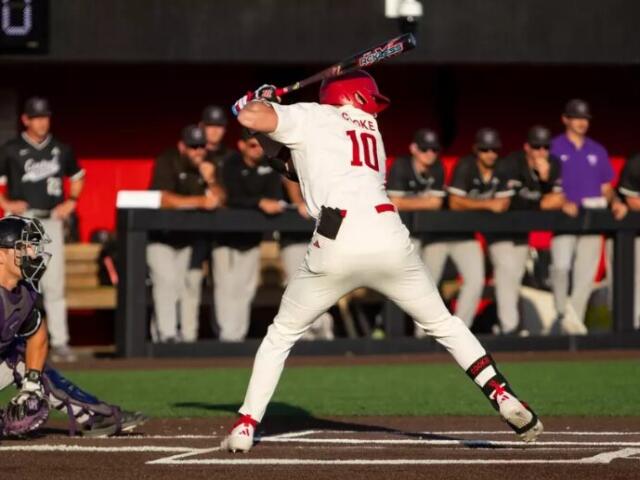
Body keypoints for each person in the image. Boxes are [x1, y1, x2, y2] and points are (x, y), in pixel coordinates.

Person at [220, 71, 543, 453]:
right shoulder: (370, 129)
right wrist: (264, 109)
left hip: (336, 234)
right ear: (356, 98)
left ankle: (246, 424)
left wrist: (262, 101)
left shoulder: (312, 115)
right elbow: (292, 162)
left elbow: (250, 118)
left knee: (281, 335)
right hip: (389, 233)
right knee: (443, 324)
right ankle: (501, 394)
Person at [0, 216, 146, 438]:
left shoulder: (24, 289)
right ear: (1, 254)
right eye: (23, 247)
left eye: (32, 246)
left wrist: (31, 384)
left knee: (23, 354)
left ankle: (97, 416)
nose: (31, 253)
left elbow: (37, 336)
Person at [0, 97, 84, 362]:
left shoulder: (61, 148)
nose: (41, 121)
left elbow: (78, 176)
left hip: (49, 221)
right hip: (20, 223)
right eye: (36, 117)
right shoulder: (11, 149)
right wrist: (6, 203)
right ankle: (12, 341)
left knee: (54, 283)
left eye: (45, 116)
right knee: (14, 283)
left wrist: (71, 201)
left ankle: (60, 342)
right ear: (25, 119)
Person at [549, 99, 627, 333]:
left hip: (593, 220)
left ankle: (573, 323)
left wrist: (615, 202)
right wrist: (561, 201)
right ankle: (563, 314)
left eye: (585, 118)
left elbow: (606, 186)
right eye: (577, 117)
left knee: (586, 273)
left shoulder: (597, 149)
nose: (582, 122)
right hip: (564, 219)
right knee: (560, 268)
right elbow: (546, 185)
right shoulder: (554, 147)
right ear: (565, 119)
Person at [147, 125, 225, 343]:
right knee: (166, 282)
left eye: (201, 146)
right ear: (183, 146)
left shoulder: (208, 166)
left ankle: (179, 337)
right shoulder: (168, 160)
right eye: (193, 147)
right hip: (160, 237)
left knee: (185, 286)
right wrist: (200, 202)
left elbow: (222, 200)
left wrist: (210, 180)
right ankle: (167, 336)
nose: (198, 151)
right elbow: (162, 198)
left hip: (187, 239)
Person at [387, 129, 461, 337]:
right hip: (399, 235)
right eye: (424, 149)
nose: (429, 153)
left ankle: (423, 333)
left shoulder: (437, 167)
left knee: (427, 283)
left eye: (434, 149)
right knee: (400, 284)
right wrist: (424, 202)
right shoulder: (401, 166)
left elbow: (436, 204)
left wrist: (411, 203)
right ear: (413, 149)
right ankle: (392, 331)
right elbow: (394, 202)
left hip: (428, 234)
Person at [492, 126, 565, 334]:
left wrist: (544, 180)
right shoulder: (511, 164)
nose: (541, 152)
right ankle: (509, 328)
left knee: (516, 277)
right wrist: (542, 201)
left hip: (522, 232)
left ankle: (512, 326)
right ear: (527, 147)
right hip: (500, 229)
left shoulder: (554, 165)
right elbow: (508, 202)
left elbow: (559, 200)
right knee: (507, 276)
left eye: (545, 147)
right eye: (536, 146)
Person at [213, 129, 284, 342]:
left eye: (261, 145)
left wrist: (264, 202)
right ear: (242, 145)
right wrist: (258, 202)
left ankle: (238, 336)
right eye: (253, 145)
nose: (258, 150)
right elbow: (230, 197)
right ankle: (227, 338)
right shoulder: (230, 164)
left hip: (251, 239)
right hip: (224, 238)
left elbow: (274, 197)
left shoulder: (269, 165)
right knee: (226, 288)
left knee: (245, 290)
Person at [446, 128, 514, 328]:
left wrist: (476, 204)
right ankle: (421, 337)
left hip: (469, 236)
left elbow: (503, 204)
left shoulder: (502, 167)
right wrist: (487, 205)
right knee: (427, 283)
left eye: (494, 149)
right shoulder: (465, 165)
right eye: (485, 149)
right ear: (476, 149)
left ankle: (459, 330)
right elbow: (454, 203)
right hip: (445, 233)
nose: (490, 154)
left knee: (476, 281)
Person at [617, 152, 640, 330]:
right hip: (634, 233)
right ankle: (635, 325)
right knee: (636, 280)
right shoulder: (636, 163)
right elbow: (633, 202)